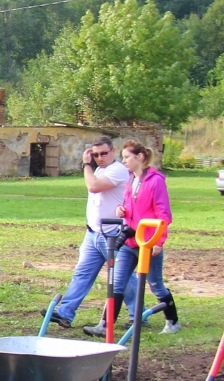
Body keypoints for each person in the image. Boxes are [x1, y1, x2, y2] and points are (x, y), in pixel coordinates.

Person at [92, 140, 180, 336]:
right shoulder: (131, 179)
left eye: (126, 157)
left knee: (156, 284)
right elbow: (130, 205)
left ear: (140, 157)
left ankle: (172, 321)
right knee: (117, 281)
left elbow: (163, 214)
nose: (123, 161)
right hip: (130, 239)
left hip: (148, 242)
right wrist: (121, 210)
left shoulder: (156, 181)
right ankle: (105, 325)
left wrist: (159, 241)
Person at [44, 135, 130, 329]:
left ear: (113, 152)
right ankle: (65, 313)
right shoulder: (100, 169)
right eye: (96, 154)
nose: (100, 157)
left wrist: (86, 165)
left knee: (124, 278)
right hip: (94, 233)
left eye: (104, 154)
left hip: (112, 234)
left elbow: (93, 187)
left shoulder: (117, 170)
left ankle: (138, 314)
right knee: (82, 274)